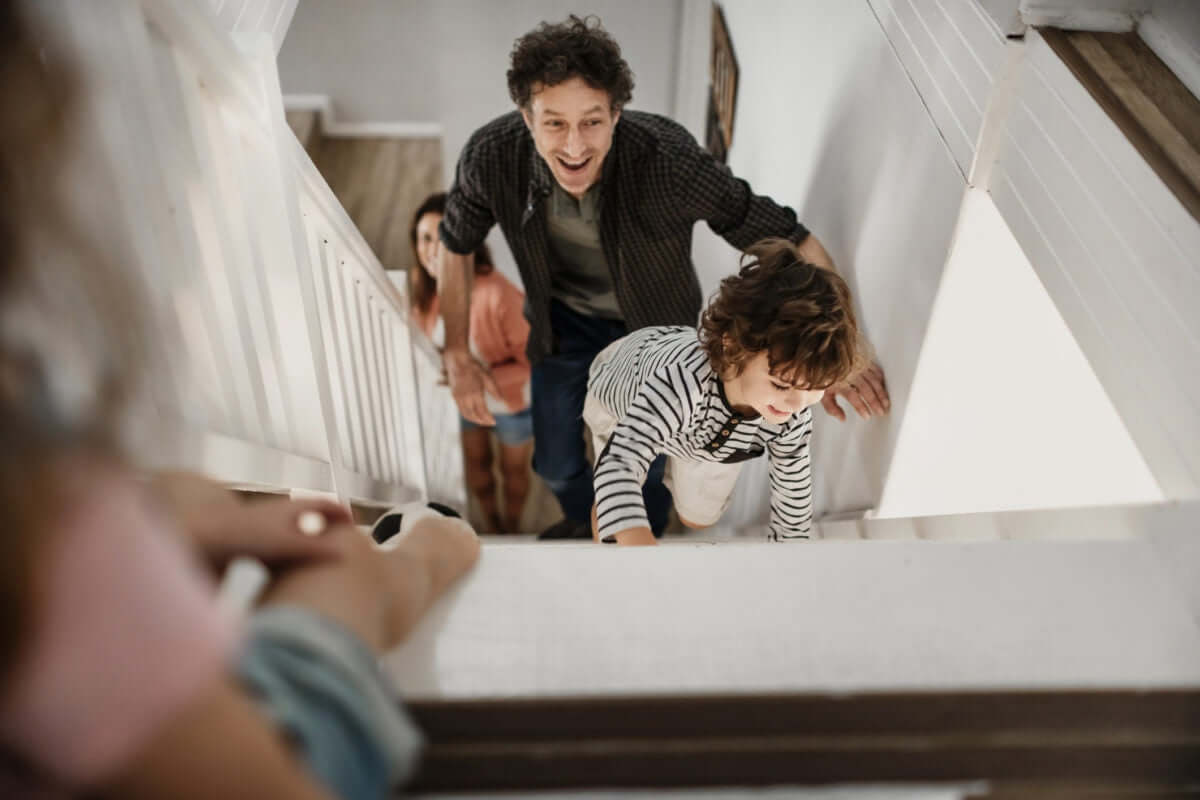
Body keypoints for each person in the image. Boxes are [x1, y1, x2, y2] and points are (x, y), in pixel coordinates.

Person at [0, 5, 479, 798]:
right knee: (349, 556)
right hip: (250, 750)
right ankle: (439, 539)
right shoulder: (40, 515)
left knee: (198, 494)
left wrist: (162, 517)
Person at [437, 15, 889, 541]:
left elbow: (790, 236)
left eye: (592, 122)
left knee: (646, 460)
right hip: (562, 325)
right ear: (525, 116)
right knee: (555, 465)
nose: (575, 145)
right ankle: (592, 521)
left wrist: (843, 349)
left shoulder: (668, 160)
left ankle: (643, 522)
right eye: (554, 123)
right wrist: (455, 350)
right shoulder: (490, 157)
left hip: (655, 330)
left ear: (617, 113)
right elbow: (455, 244)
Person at [585, 239, 865, 546]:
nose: (797, 404)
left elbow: (792, 494)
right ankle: (608, 512)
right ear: (733, 346)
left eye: (814, 389)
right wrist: (639, 544)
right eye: (781, 385)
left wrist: (790, 556)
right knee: (617, 494)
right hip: (622, 385)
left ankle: (679, 457)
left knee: (698, 518)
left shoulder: (791, 412)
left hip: (708, 433)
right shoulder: (682, 385)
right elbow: (621, 460)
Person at [410, 192, 532, 533]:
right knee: (477, 468)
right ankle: (492, 524)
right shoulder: (423, 293)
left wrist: (484, 377)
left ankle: (512, 525)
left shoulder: (498, 293)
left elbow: (533, 358)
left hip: (510, 403)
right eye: (425, 238)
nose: (433, 248)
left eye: (443, 235)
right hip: (462, 404)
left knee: (513, 473)